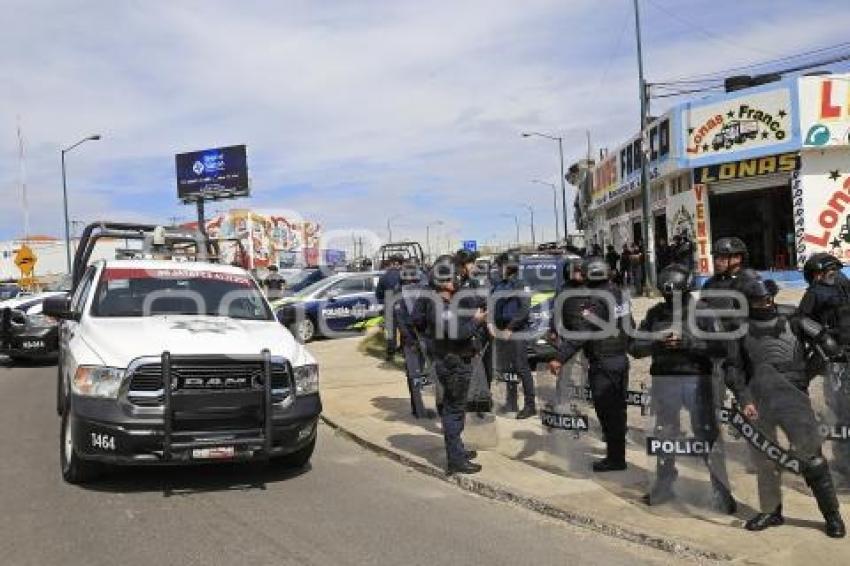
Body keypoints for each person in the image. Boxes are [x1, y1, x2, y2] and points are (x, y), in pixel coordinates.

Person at [725, 278, 846, 538]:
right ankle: (771, 511)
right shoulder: (740, 328)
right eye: (758, 300)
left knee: (812, 459)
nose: (765, 304)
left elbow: (830, 346)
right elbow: (733, 368)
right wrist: (744, 399)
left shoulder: (794, 318)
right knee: (765, 459)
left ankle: (832, 516)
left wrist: (805, 374)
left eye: (768, 299)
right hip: (758, 400)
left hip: (794, 398)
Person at [629, 264, 736, 513]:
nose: (670, 299)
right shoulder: (655, 314)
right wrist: (657, 342)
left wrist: (688, 343)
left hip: (696, 380)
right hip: (664, 381)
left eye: (675, 294)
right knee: (664, 434)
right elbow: (635, 347)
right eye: (667, 295)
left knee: (707, 434)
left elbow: (723, 348)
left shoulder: (703, 312)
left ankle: (721, 490)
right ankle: (664, 484)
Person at [549, 257, 633, 472]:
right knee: (618, 410)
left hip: (604, 361)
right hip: (620, 359)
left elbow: (582, 333)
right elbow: (630, 325)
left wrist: (560, 358)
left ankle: (615, 459)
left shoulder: (596, 300)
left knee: (608, 411)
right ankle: (617, 454)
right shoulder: (618, 293)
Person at [414, 256, 486, 474]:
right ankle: (455, 460)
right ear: (445, 281)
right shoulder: (439, 305)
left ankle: (458, 450)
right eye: (454, 276)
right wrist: (476, 321)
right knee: (453, 412)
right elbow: (456, 333)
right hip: (452, 362)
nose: (458, 279)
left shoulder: (442, 301)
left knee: (456, 409)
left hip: (453, 359)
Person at [799, 252, 850, 483]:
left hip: (835, 358)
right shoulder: (833, 289)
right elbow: (802, 321)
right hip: (833, 357)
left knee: (840, 406)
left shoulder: (819, 291)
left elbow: (800, 320)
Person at [490, 252, 536, 419]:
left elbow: (523, 310)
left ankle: (530, 406)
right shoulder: (500, 284)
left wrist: (510, 328)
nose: (498, 269)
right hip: (501, 331)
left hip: (516, 331)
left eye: (501, 265)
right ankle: (511, 402)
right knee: (508, 368)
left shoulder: (521, 284)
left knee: (521, 367)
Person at [397, 260, 436, 419]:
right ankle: (421, 409)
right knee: (423, 375)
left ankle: (419, 409)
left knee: (415, 375)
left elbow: (401, 321)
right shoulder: (426, 291)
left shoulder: (399, 293)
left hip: (413, 341)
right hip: (423, 339)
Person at [376, 255, 404, 360]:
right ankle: (403, 350)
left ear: (391, 263)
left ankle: (390, 353)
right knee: (403, 329)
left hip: (389, 305)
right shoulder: (404, 275)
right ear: (399, 264)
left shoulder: (383, 277)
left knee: (390, 331)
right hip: (402, 305)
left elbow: (378, 294)